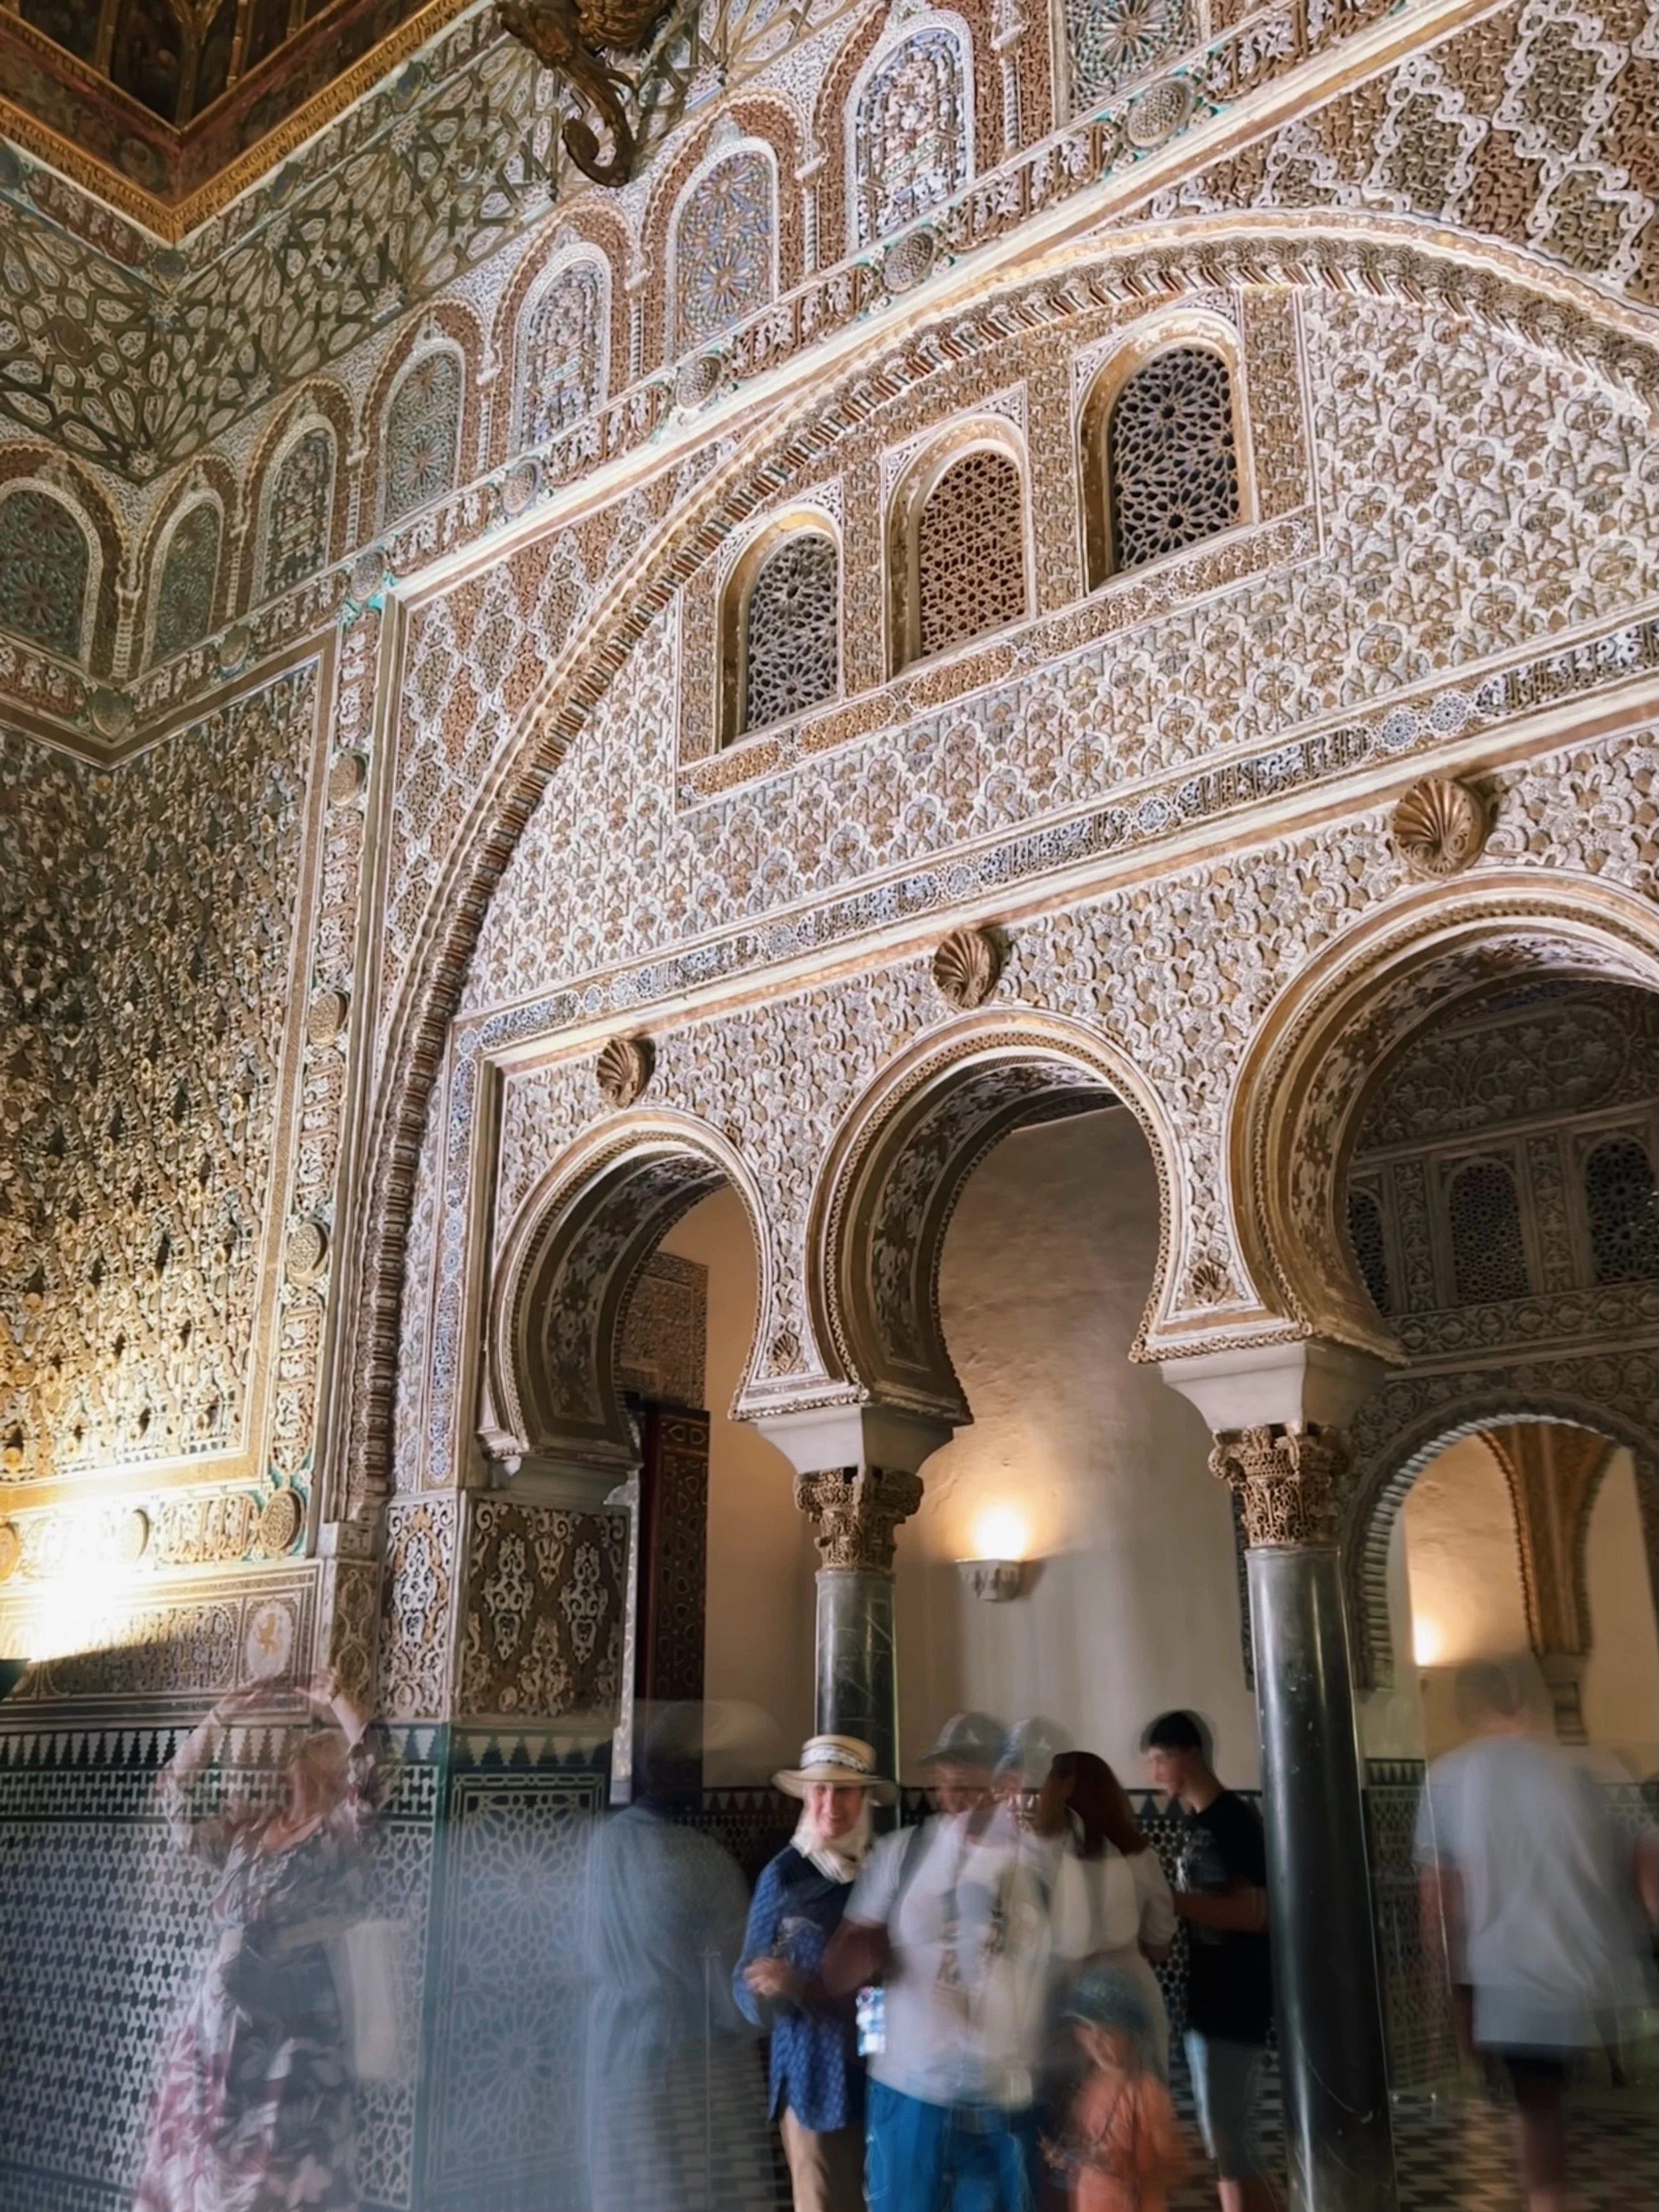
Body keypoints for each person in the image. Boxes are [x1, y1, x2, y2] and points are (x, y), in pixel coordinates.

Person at [135, 1670, 390, 2212]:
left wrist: (337, 1698)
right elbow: (174, 1797)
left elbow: (375, 1770)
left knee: (268, 2175)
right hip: (214, 2031)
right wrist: (218, 1718)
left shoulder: (335, 1836)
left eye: (317, 1750)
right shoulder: (246, 1833)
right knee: (199, 2167)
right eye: (299, 1751)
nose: (300, 1757)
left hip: (287, 2032)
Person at [1415, 1659, 1659, 2212]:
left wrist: (1449, 2002)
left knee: (1541, 2123)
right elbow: (1650, 1871)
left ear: (1466, 1708)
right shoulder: (1594, 1767)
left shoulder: (1450, 1777)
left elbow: (1439, 1901)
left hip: (1513, 1983)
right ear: (1536, 1699)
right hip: (1605, 1979)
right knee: (1621, 2131)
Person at [826, 1712, 1091, 2212]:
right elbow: (842, 1964)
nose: (955, 1796)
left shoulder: (1053, 1874)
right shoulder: (900, 1855)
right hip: (909, 2094)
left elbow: (1069, 1995)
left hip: (1008, 2102)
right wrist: (861, 1962)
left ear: (1006, 1782)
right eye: (947, 1781)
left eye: (971, 1781)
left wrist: (1067, 2099)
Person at [583, 1702, 771, 2212]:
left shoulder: (602, 1844)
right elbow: (736, 1998)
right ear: (681, 1771)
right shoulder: (702, 1862)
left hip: (613, 2054)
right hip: (686, 2063)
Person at [736, 1734, 897, 2212]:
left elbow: (887, 1983)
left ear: (863, 1797)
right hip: (810, 2075)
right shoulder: (784, 1875)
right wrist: (766, 1988)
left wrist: (877, 2045)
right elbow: (744, 1975)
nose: (831, 1803)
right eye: (820, 1790)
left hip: (881, 2073)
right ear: (806, 1796)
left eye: (844, 1790)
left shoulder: (884, 1871)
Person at [1141, 1711, 1274, 2212]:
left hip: (1236, 2000)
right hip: (1209, 2000)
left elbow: (1255, 1912)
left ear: (1189, 1753)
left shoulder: (1233, 1822)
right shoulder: (1199, 1824)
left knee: (1231, 2143)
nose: (1154, 1774)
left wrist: (1170, 1901)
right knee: (1226, 2146)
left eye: (1159, 1759)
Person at [1050, 1753, 1177, 2079]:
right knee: (1137, 2109)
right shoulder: (1140, 1855)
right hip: (1132, 1989)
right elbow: (1161, 1946)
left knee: (1076, 2111)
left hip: (1066, 1998)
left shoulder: (1043, 1856)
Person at [1045, 1964, 1187, 2212]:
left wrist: (1123, 2165)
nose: (1095, 2040)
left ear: (1133, 2035)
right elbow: (1087, 2143)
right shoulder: (1091, 2084)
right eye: (1086, 2028)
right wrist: (1070, 2158)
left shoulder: (1146, 2095)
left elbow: (1173, 2166)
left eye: (1107, 2030)